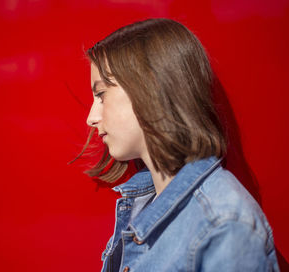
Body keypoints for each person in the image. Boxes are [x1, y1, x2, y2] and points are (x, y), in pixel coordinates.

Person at [77, 18, 279, 271]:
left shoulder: (223, 224)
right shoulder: (142, 202)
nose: (91, 118)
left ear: (150, 87)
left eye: (101, 95)